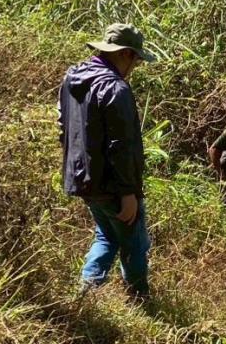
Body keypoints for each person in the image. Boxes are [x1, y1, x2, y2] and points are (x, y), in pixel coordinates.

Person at [59, 23, 155, 299]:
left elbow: (63, 127)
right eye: (135, 60)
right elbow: (122, 145)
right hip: (113, 184)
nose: (134, 67)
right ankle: (140, 300)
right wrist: (128, 192)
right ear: (125, 54)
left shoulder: (72, 80)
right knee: (135, 244)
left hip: (84, 180)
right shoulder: (115, 88)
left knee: (107, 236)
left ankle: (86, 295)